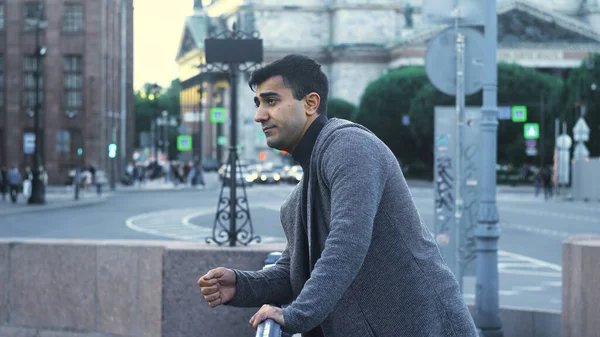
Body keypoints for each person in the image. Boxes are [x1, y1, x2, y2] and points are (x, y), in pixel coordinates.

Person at [197, 55, 478, 337]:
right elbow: (294, 271)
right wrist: (241, 285)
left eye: (271, 101)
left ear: (310, 103)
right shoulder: (300, 195)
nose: (259, 115)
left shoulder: (349, 146)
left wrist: (296, 315)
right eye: (258, 104)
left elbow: (348, 242)